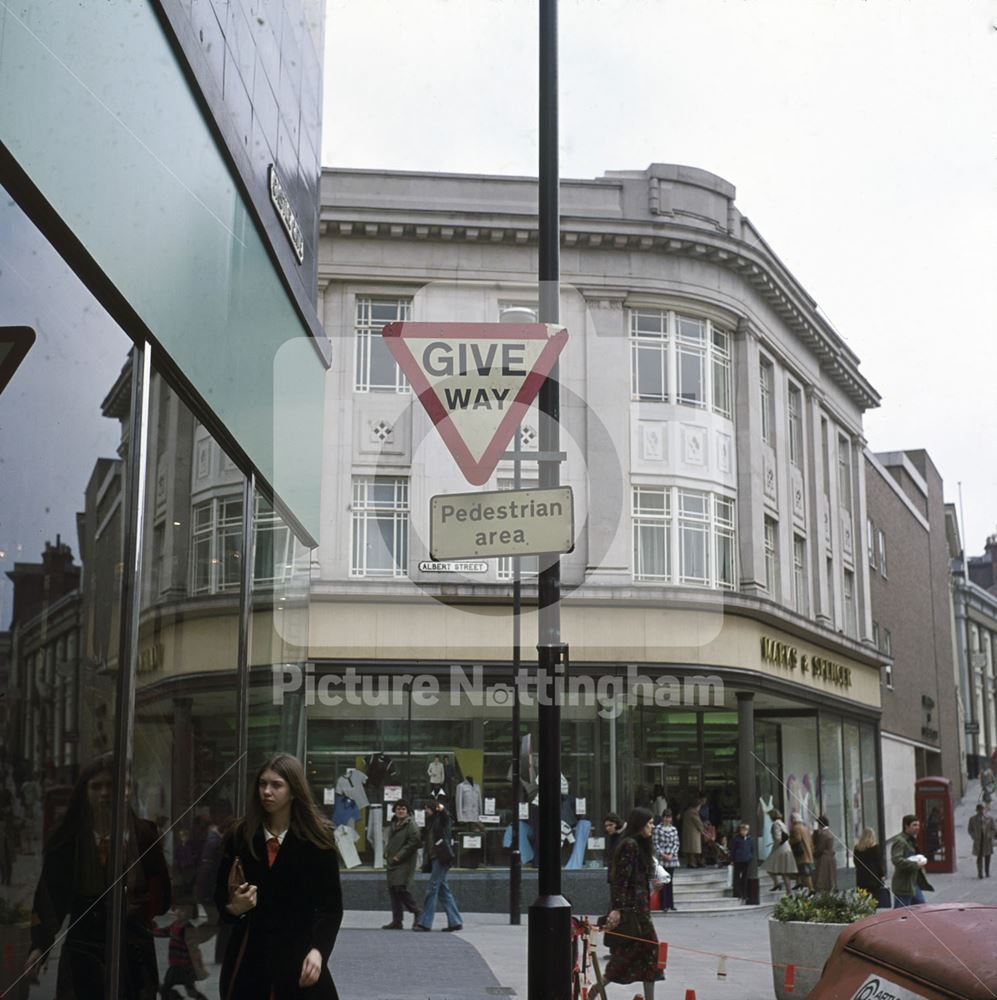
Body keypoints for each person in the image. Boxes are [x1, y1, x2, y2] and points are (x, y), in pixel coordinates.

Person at [25, 753, 171, 999]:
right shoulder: (67, 840)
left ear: (126, 791)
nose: (104, 793)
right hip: (83, 950)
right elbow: (51, 896)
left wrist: (139, 908)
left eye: (112, 786)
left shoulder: (145, 834)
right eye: (96, 786)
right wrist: (40, 945)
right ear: (85, 792)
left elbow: (162, 898)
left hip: (133, 951)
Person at [214, 752, 343, 998]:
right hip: (249, 961)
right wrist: (234, 908)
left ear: (293, 790)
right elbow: (219, 895)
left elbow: (331, 907)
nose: (267, 791)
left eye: (276, 785)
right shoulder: (240, 836)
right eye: (263, 784)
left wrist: (319, 951)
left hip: (298, 958)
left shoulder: (318, 839)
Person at [604, 807, 663, 999]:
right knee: (632, 952)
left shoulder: (640, 845)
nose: (652, 826)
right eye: (649, 823)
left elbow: (637, 879)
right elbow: (620, 880)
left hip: (642, 909)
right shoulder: (629, 845)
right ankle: (598, 986)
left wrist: (654, 884)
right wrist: (618, 909)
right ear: (640, 824)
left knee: (647, 952)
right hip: (633, 911)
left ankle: (649, 996)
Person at [414, 795, 463, 931]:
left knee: (432, 889)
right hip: (437, 858)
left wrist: (441, 809)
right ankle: (455, 921)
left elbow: (446, 817)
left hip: (441, 859)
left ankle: (425, 923)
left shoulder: (441, 820)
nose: (425, 811)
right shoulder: (431, 823)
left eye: (427, 809)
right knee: (443, 891)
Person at [153, 902, 210, 1000]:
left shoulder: (187, 928)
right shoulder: (175, 925)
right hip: (177, 964)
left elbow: (193, 947)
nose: (178, 912)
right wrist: (151, 931)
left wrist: (198, 965)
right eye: (177, 909)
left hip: (182, 966)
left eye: (182, 910)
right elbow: (164, 932)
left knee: (169, 988)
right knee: (188, 990)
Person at [382, 799, 422, 928]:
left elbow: (414, 842)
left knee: (400, 888)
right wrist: (386, 852)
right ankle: (397, 920)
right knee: (393, 890)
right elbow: (391, 840)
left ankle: (417, 912)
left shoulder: (411, 824)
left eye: (403, 809)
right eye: (398, 808)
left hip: (404, 862)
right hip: (393, 861)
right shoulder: (394, 823)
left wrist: (399, 856)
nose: (400, 811)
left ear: (407, 811)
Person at [890, 813, 933, 908]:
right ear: (906, 826)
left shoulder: (910, 840)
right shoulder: (900, 841)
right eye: (914, 825)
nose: (917, 827)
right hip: (903, 885)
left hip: (913, 883)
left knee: (922, 909)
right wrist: (916, 864)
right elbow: (897, 860)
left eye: (918, 825)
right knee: (901, 914)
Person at [762, 809, 796, 893]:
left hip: (780, 849)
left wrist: (774, 848)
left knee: (768, 866)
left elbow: (778, 838)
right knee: (784, 872)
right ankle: (788, 891)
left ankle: (777, 884)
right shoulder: (781, 823)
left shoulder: (775, 824)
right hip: (786, 848)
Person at [651, 810, 679, 912]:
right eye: (666, 817)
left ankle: (670, 904)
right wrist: (662, 854)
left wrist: (671, 854)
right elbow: (655, 843)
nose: (667, 819)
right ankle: (663, 904)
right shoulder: (657, 829)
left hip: (672, 858)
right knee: (663, 880)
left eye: (669, 817)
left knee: (670, 881)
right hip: (661, 858)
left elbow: (676, 843)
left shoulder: (674, 829)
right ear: (663, 818)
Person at [853, 828, 887, 907]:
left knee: (862, 899)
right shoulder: (875, 848)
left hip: (861, 877)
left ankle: (862, 912)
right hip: (873, 877)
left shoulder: (857, 848)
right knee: (875, 898)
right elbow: (879, 863)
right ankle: (873, 912)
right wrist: (882, 875)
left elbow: (856, 862)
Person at [968, 803, 995, 879]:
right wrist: (974, 836)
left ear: (984, 810)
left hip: (987, 841)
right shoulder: (972, 819)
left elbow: (994, 830)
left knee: (987, 857)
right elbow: (970, 830)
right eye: (979, 810)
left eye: (982, 809)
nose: (981, 811)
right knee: (979, 857)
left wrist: (989, 835)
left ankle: (987, 872)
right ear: (977, 810)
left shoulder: (990, 819)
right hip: (978, 841)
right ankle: (980, 873)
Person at [789, 813, 814, 891]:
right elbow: (810, 840)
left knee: (805, 871)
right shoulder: (805, 828)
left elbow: (798, 839)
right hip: (807, 851)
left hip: (800, 852)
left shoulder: (795, 828)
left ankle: (811, 889)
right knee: (800, 869)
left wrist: (789, 841)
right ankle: (799, 883)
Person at [813, 815, 837, 891]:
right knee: (829, 878)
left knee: (823, 879)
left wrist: (814, 854)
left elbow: (820, 848)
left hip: (824, 859)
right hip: (831, 857)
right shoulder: (829, 832)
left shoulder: (823, 834)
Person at [730, 822, 753, 900]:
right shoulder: (736, 839)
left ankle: (744, 894)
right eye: (742, 830)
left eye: (746, 830)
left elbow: (752, 849)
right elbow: (733, 850)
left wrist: (750, 857)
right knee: (737, 877)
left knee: (744, 877)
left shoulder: (750, 839)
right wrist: (732, 859)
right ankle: (738, 893)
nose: (744, 832)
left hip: (746, 860)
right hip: (738, 860)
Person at [680, 797, 705, 868]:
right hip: (693, 833)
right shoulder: (693, 812)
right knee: (693, 850)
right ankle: (692, 863)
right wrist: (702, 830)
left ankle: (690, 862)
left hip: (687, 832)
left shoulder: (687, 812)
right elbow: (698, 823)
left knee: (689, 850)